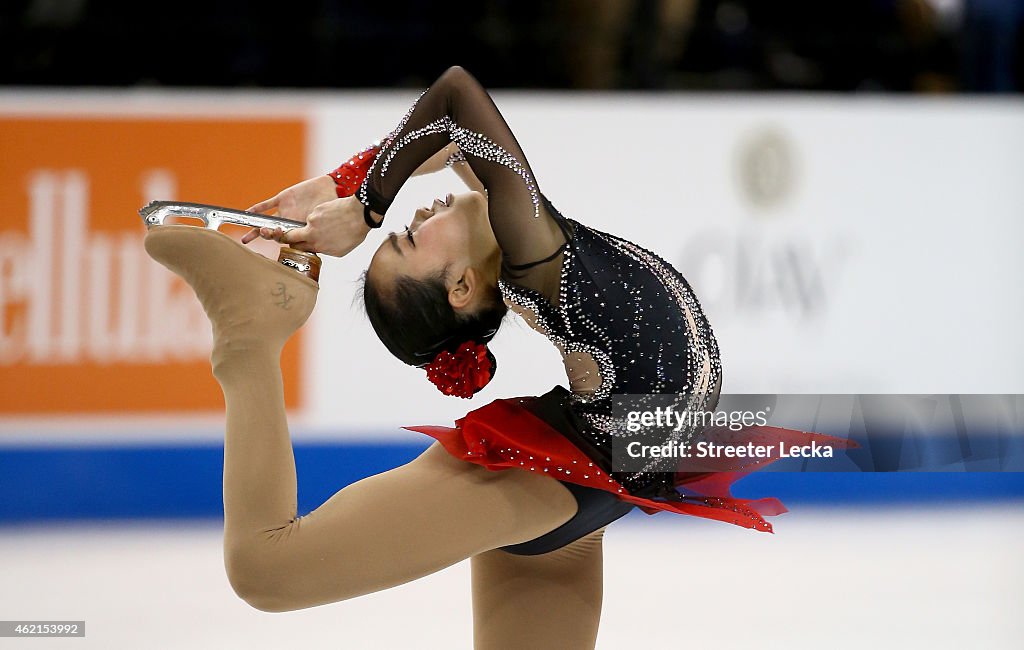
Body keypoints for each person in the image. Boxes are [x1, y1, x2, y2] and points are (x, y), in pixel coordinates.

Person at [146, 65, 841, 649]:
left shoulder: (517, 226)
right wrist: (365, 206)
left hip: (593, 488)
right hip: (558, 479)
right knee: (266, 567)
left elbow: (448, 135)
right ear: (460, 286)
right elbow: (455, 96)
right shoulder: (533, 253)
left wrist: (343, 187)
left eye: (399, 228)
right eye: (409, 240)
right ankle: (248, 341)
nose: (409, 217)